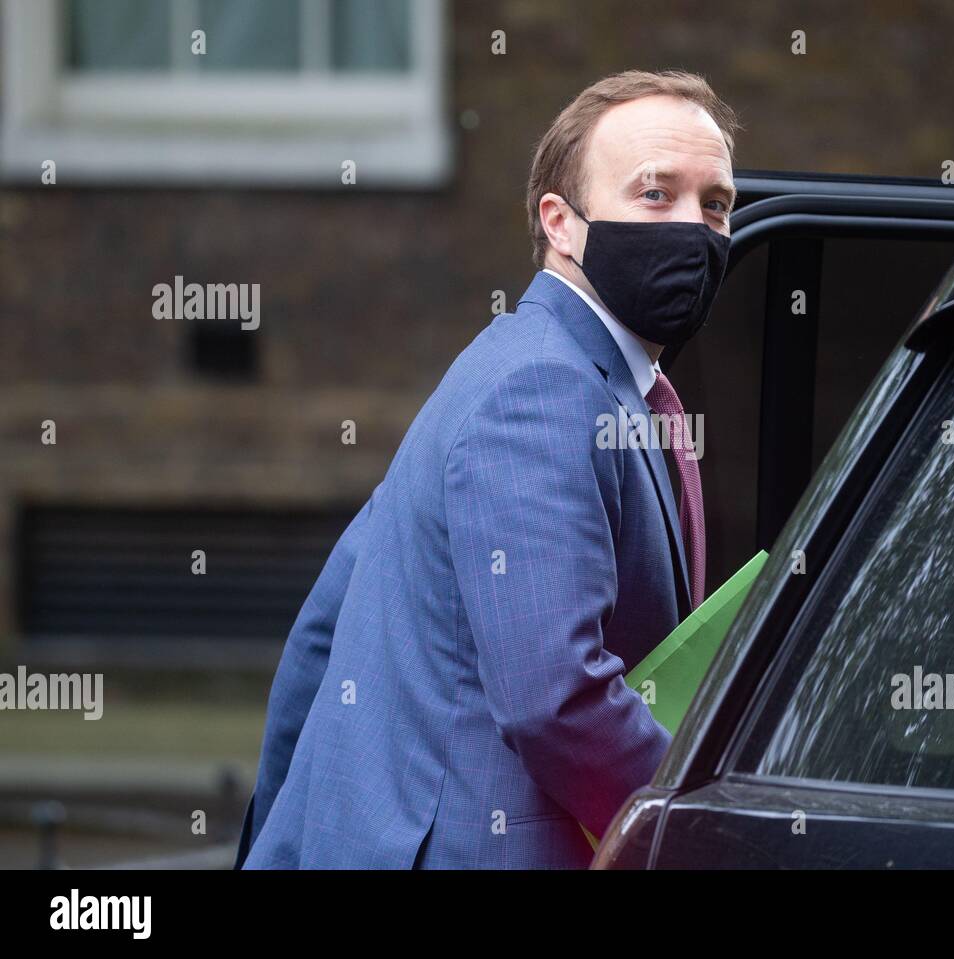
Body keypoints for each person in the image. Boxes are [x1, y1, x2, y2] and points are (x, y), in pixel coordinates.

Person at [236, 69, 741, 868]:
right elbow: (558, 700)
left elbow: (324, 629)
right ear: (560, 223)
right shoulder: (540, 389)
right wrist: (708, 829)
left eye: (714, 203)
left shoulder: (542, 367)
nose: (694, 226)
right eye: (654, 193)